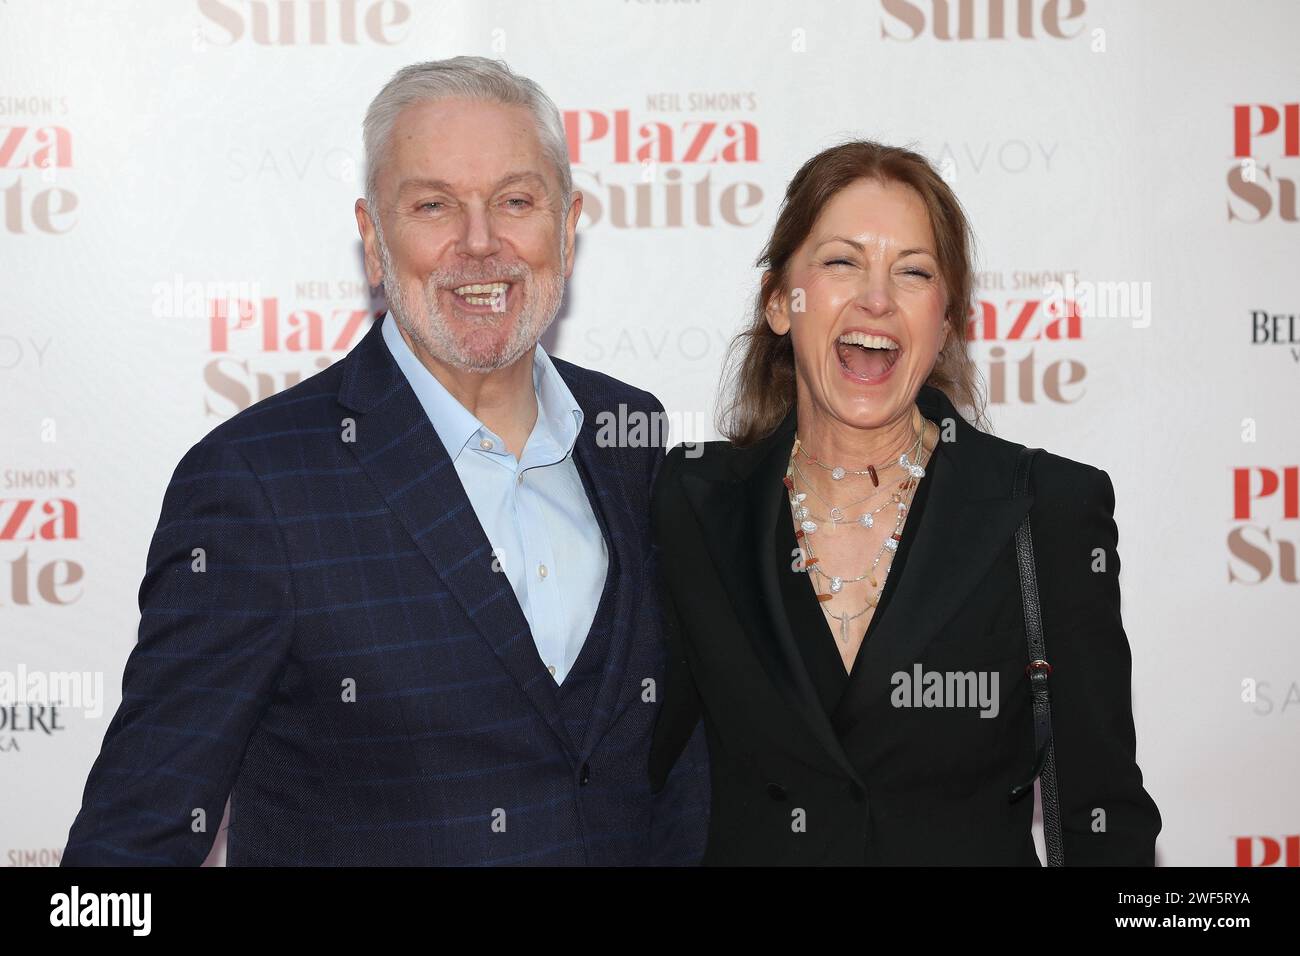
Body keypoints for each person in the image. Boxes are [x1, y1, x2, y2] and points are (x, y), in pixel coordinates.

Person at [62, 56, 708, 866]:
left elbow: (675, 773)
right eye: (433, 205)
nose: (480, 243)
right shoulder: (257, 485)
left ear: (568, 227)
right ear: (373, 238)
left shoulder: (630, 436)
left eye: (515, 201)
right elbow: (131, 842)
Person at [648, 140, 1160, 865]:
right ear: (778, 303)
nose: (877, 298)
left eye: (914, 272)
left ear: (946, 322)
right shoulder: (694, 503)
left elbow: (1104, 817)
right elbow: (649, 774)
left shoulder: (1045, 510)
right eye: (840, 261)